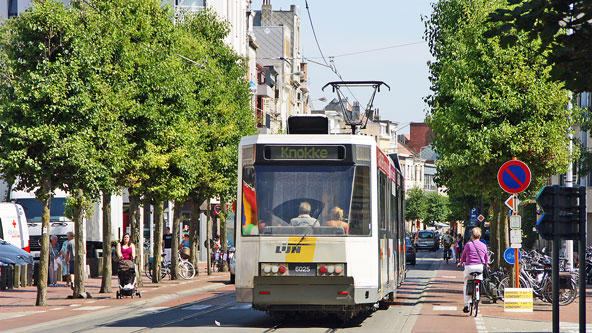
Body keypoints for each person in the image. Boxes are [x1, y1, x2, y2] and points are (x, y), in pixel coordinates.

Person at [458, 227, 489, 313]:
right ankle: (478, 293)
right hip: (479, 267)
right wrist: (487, 264)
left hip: (469, 267)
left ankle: (467, 304)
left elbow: (463, 256)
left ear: (472, 235)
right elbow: (486, 258)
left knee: (466, 283)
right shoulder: (483, 245)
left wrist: (460, 263)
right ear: (480, 235)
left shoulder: (468, 245)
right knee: (479, 279)